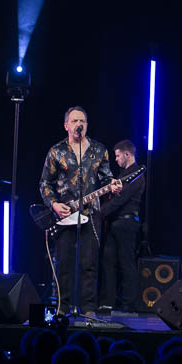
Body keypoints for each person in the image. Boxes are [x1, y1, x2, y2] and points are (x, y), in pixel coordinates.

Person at [39, 106, 122, 317]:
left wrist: (113, 185)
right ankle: (63, 307)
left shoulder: (98, 150)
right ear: (66, 125)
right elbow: (45, 184)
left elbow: (105, 177)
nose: (79, 125)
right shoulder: (56, 151)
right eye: (75, 121)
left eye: (83, 121)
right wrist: (54, 205)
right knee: (64, 263)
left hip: (91, 212)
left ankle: (88, 308)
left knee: (89, 263)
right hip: (65, 213)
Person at [99, 139, 145, 312]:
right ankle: (107, 302)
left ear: (127, 154)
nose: (116, 159)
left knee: (126, 263)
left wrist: (97, 213)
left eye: (118, 156)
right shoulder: (121, 175)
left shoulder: (138, 174)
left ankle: (130, 303)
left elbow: (120, 200)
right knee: (107, 261)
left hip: (126, 223)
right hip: (114, 223)